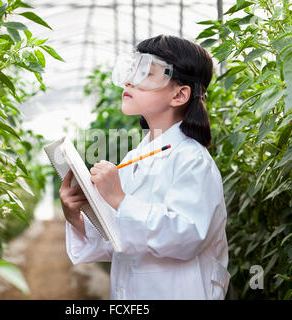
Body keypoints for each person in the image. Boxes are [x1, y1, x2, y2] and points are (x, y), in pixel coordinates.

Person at [59, 34, 230, 300]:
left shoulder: (192, 160)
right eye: (132, 70)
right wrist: (76, 216)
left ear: (180, 95)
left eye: (146, 73)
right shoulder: (134, 158)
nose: (129, 81)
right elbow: (116, 239)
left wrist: (119, 198)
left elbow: (188, 235)